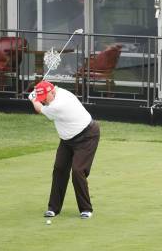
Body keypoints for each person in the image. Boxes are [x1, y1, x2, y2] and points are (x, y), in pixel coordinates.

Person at [29, 80, 100, 219]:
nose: (44, 101)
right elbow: (45, 93)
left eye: (45, 98)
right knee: (59, 169)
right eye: (41, 99)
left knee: (78, 171)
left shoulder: (59, 104)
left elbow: (38, 108)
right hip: (67, 139)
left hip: (87, 137)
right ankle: (53, 208)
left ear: (52, 92)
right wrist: (38, 92)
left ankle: (86, 209)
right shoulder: (56, 91)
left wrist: (32, 99)